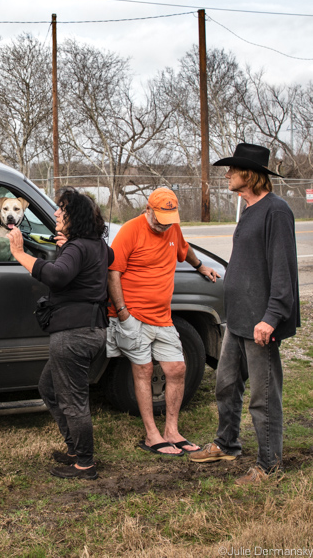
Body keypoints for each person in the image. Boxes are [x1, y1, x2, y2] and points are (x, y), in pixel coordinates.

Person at [189, 143, 300, 485]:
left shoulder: (276, 211)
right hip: (238, 319)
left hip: (260, 322)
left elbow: (283, 271)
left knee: (263, 399)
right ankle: (227, 443)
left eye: (232, 170)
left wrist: (271, 317)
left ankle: (269, 467)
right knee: (225, 385)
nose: (226, 175)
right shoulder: (250, 209)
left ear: (249, 175)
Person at [8, 188, 113, 480]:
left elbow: (56, 276)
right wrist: (67, 246)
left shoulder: (79, 247)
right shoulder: (96, 245)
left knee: (73, 400)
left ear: (74, 216)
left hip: (73, 335)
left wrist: (19, 253)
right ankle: (74, 448)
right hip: (90, 331)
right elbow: (98, 259)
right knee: (49, 388)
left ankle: (85, 463)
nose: (55, 212)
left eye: (62, 209)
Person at [107, 188, 220, 457]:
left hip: (162, 317)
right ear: (148, 210)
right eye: (158, 219)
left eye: (168, 220)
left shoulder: (172, 228)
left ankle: (172, 430)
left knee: (177, 369)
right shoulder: (130, 231)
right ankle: (151, 435)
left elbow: (184, 248)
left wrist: (200, 266)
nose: (162, 225)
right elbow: (113, 273)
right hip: (133, 317)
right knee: (143, 370)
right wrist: (122, 312)